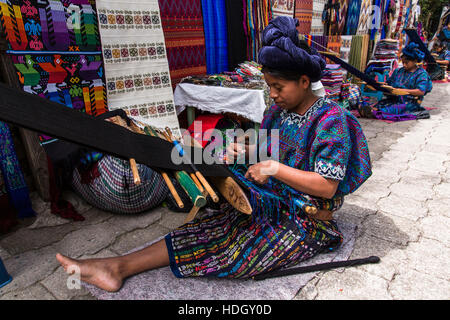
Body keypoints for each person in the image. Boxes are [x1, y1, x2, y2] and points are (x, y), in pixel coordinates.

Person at [55, 17, 372, 292]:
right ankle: (117, 267)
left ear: (305, 82)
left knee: (235, 243)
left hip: (307, 218)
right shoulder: (278, 112)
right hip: (274, 197)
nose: (272, 95)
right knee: (216, 220)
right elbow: (271, 146)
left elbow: (326, 186)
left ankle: (117, 268)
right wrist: (244, 149)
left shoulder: (332, 122)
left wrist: (273, 169)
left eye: (278, 87)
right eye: (269, 86)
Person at [359, 42, 433, 120]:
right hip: (394, 99)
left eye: (406, 63)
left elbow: (420, 91)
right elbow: (389, 84)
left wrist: (401, 90)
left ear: (414, 61)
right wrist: (377, 86)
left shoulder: (421, 74)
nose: (404, 65)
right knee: (381, 104)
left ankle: (372, 112)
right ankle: (371, 110)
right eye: (403, 62)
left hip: (410, 102)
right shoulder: (398, 71)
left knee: (394, 109)